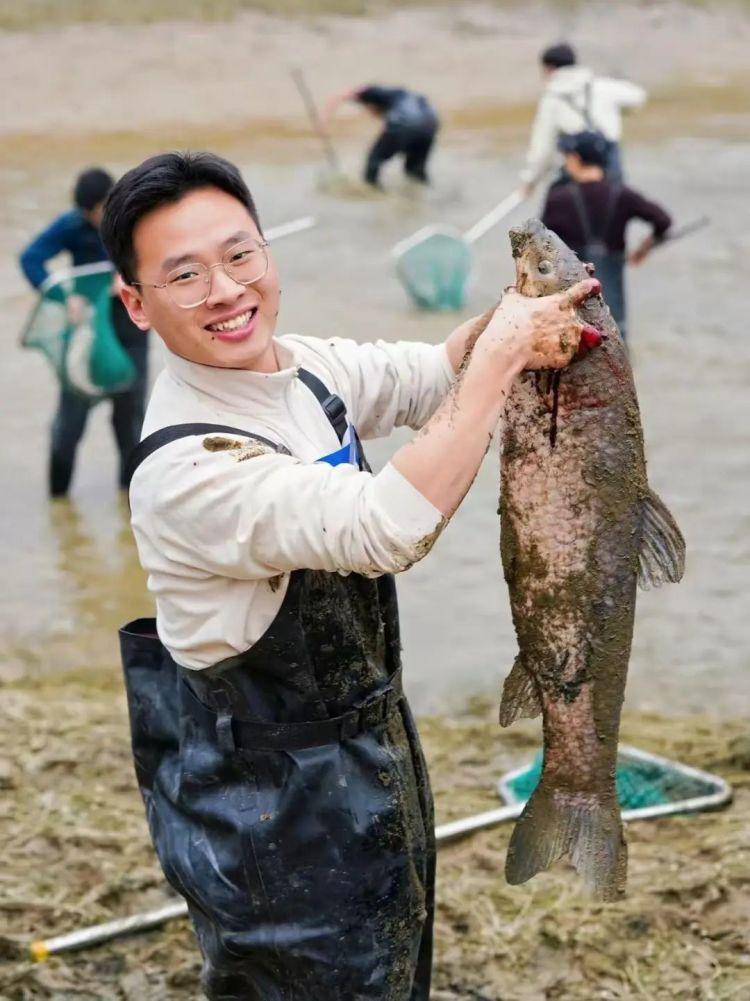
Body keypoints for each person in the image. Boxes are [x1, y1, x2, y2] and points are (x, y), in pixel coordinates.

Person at [102, 150, 602, 1001]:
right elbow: (387, 526)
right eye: (184, 275)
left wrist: (514, 321)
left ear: (267, 252)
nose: (225, 290)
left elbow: (430, 373)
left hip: (368, 758)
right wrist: (501, 364)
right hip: (268, 811)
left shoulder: (302, 371)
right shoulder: (188, 468)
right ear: (136, 304)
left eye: (239, 255)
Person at [19, 167, 149, 497]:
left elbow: (160, 260)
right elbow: (31, 259)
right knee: (68, 426)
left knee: (130, 422)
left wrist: (131, 278)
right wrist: (64, 296)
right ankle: (58, 499)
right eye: (88, 212)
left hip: (130, 328)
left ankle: (130, 500)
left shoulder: (134, 220)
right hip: (88, 332)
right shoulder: (73, 224)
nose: (93, 217)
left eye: (97, 210)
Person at [541, 129, 672, 339]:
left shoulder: (558, 199)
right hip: (612, 300)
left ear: (575, 159)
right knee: (616, 343)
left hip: (572, 303)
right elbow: (663, 221)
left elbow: (541, 248)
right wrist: (643, 249)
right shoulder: (623, 195)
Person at [521, 42, 646, 197]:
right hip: (611, 167)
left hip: (576, 173)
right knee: (614, 211)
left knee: (567, 211)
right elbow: (638, 97)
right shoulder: (602, 86)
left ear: (550, 68)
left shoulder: (552, 100)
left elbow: (542, 149)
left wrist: (530, 182)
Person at [324, 84, 439, 188]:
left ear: (372, 103)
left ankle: (372, 192)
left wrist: (324, 120)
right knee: (414, 171)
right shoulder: (405, 96)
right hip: (430, 123)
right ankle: (426, 193)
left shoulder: (375, 92)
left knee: (374, 160)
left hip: (405, 122)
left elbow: (342, 95)